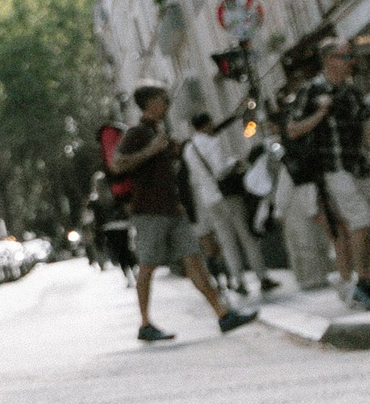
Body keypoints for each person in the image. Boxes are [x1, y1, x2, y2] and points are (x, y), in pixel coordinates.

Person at [103, 80, 259, 344]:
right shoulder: (137, 133)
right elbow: (117, 164)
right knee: (148, 266)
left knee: (194, 260)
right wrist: (151, 151)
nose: (167, 104)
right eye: (163, 99)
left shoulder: (158, 131)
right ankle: (144, 323)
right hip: (150, 212)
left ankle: (223, 314)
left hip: (173, 210)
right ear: (150, 103)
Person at [281, 40, 370, 302]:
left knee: (365, 224)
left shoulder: (352, 92)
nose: (351, 61)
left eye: (350, 56)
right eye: (345, 56)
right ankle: (361, 281)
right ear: (329, 59)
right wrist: (321, 111)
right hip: (331, 169)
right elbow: (293, 129)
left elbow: (367, 133)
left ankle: (364, 280)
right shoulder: (311, 90)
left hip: (358, 167)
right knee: (360, 221)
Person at [183, 113, 264, 295]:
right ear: (208, 124)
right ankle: (261, 276)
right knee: (245, 235)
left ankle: (238, 280)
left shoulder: (189, 148)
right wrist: (234, 162)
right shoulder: (212, 143)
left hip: (208, 198)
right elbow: (221, 169)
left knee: (226, 241)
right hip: (226, 195)